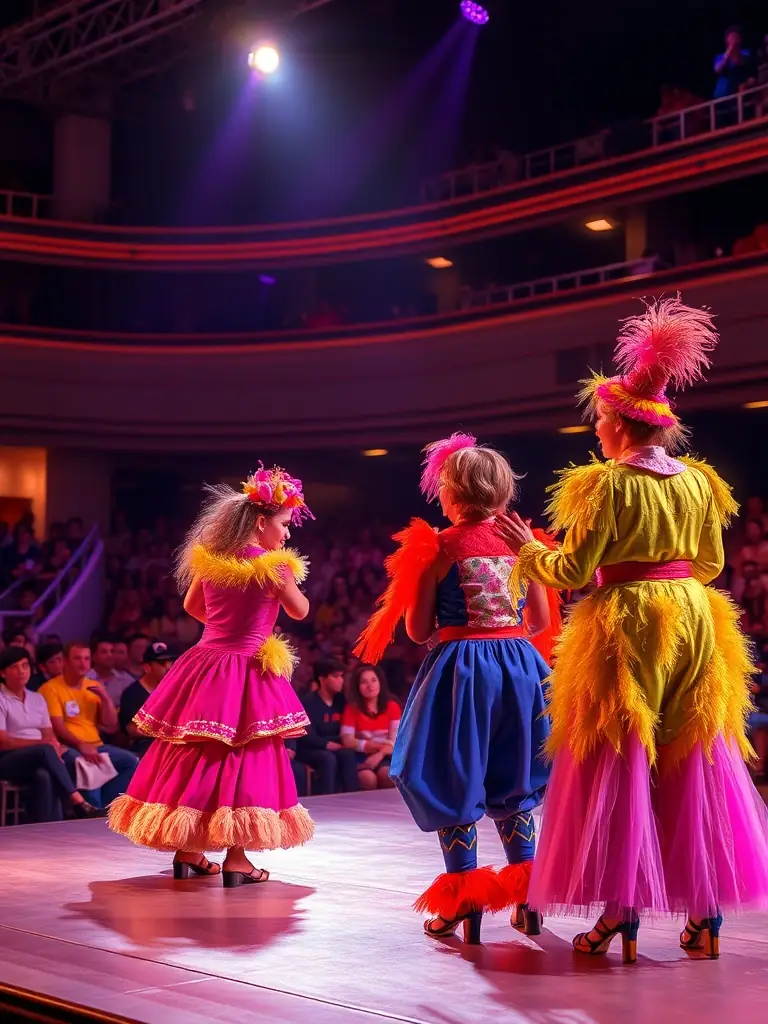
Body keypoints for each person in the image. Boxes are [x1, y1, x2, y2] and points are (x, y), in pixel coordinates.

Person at [497, 297, 768, 963]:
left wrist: (523, 548)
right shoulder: (701, 483)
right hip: (695, 621)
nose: (596, 433)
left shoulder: (605, 484)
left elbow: (573, 570)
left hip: (626, 623)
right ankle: (703, 919)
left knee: (622, 763)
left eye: (599, 423)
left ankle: (621, 913)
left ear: (620, 424)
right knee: (691, 757)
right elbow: (709, 563)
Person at [355, 435, 553, 944]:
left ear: (451, 493)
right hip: (520, 668)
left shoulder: (439, 548)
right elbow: (540, 619)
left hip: (462, 669)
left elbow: (419, 630)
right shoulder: (521, 540)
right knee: (515, 777)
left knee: (450, 774)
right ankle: (528, 900)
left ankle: (464, 899)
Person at [108, 465, 315, 887]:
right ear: (261, 522)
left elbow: (191, 607)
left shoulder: (213, 562)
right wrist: (253, 630)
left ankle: (188, 852)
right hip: (247, 668)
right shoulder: (274, 566)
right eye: (284, 525)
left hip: (205, 663)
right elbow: (301, 611)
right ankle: (237, 860)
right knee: (242, 756)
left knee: (196, 753)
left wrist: (225, 627)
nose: (288, 534)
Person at [0, 646, 104, 822]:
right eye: (14, 667)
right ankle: (78, 802)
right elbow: (4, 742)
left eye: (25, 666)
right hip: (7, 759)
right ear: (2, 673)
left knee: (45, 774)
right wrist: (44, 746)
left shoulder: (36, 698)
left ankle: (48, 827)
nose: (21, 671)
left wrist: (52, 747)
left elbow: (48, 734)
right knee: (45, 750)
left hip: (39, 757)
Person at [40, 642, 139, 808]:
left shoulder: (94, 686)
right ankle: (94, 808)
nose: (83, 663)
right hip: (68, 748)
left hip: (97, 747)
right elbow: (57, 726)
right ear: (65, 661)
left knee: (131, 761)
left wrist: (106, 699)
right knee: (88, 765)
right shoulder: (50, 689)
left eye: (86, 659)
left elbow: (112, 726)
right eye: (77, 658)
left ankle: (108, 807)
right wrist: (81, 744)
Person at [296, 658, 359, 794]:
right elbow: (306, 734)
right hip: (310, 749)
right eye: (336, 677)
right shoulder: (308, 702)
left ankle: (353, 797)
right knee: (327, 758)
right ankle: (327, 801)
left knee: (348, 755)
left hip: (337, 745)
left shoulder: (341, 700)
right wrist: (325, 744)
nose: (341, 680)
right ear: (322, 679)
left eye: (341, 676)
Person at [340, 663, 400, 791]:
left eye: (373, 680)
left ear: (380, 682)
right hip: (360, 756)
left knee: (388, 775)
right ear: (358, 687)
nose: (370, 686)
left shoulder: (392, 706)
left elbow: (396, 742)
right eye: (364, 682)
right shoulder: (351, 709)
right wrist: (377, 746)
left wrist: (379, 754)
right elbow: (347, 741)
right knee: (368, 778)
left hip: (385, 756)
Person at [119, 641, 176, 756]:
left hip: (171, 742)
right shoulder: (132, 693)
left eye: (170, 662)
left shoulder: (173, 690)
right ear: (146, 667)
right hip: (146, 745)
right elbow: (132, 729)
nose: (169, 667)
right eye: (162, 663)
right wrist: (163, 732)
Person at [714, 26, 752, 98]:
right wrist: (728, 53)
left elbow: (741, 63)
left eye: (735, 37)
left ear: (740, 39)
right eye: (730, 37)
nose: (732, 39)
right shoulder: (720, 56)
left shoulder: (745, 52)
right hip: (720, 96)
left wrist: (733, 49)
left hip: (738, 95)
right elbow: (717, 70)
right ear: (726, 40)